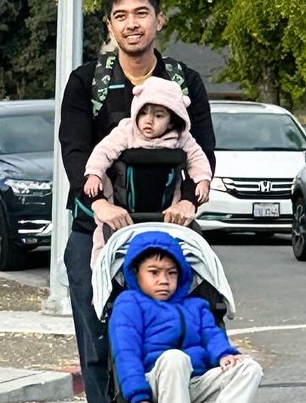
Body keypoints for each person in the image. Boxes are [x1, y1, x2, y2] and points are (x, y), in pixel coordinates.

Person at [58, 0, 216, 403]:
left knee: (181, 330)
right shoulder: (89, 82)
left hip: (169, 235)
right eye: (121, 16)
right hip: (98, 231)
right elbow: (76, 152)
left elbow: (203, 149)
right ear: (109, 25)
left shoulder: (184, 83)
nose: (132, 25)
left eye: (141, 14)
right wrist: (100, 205)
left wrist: (190, 199)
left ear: (159, 20)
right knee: (100, 340)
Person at [109, 230, 262, 403]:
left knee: (249, 368)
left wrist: (224, 354)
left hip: (193, 383)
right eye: (154, 272)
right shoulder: (129, 303)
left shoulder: (195, 305)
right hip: (156, 382)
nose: (164, 280)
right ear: (136, 273)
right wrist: (139, 400)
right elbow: (125, 354)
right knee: (175, 358)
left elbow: (212, 335)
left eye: (171, 273)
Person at [83, 75, 212, 265]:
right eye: (143, 113)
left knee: (181, 243)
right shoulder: (126, 131)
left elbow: (197, 158)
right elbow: (103, 152)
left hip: (167, 207)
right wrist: (93, 174)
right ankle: (101, 277)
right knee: (104, 238)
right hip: (122, 205)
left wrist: (202, 180)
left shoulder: (180, 137)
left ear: (172, 120)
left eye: (158, 116)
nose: (148, 121)